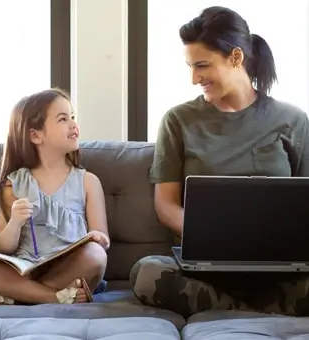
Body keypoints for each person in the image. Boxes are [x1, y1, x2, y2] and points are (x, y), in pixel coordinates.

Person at [130, 6, 309, 318]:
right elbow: (166, 205)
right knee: (147, 273)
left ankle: (227, 305)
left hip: (277, 265)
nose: (194, 78)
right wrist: (216, 237)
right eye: (190, 66)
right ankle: (264, 308)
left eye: (202, 65)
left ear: (236, 58)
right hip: (204, 267)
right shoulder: (179, 120)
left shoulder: (293, 120)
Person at [0, 88, 109, 305]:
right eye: (63, 119)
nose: (73, 124)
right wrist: (15, 222)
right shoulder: (14, 183)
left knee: (96, 255)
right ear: (36, 135)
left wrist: (98, 238)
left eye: (72, 117)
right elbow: (3, 247)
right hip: (25, 270)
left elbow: (102, 239)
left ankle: (16, 295)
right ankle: (53, 297)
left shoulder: (88, 181)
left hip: (67, 268)